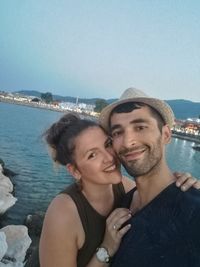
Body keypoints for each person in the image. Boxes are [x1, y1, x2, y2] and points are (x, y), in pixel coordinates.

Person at [38, 112, 200, 267]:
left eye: (108, 145)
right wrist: (106, 248)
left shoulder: (127, 187)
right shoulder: (63, 212)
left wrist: (186, 186)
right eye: (92, 155)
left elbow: (162, 198)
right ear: (75, 171)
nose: (109, 158)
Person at [99, 87, 200, 267]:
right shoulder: (123, 203)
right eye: (117, 132)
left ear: (166, 135)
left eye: (140, 127)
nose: (128, 142)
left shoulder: (193, 211)